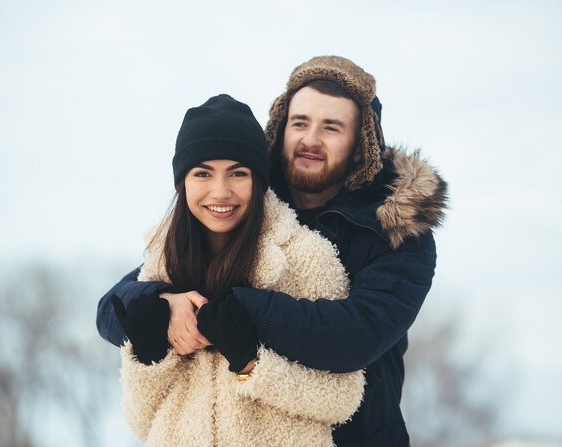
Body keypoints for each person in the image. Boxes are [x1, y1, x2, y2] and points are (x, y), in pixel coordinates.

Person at [97, 56, 449, 446]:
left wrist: (235, 308)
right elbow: (115, 306)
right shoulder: (242, 206)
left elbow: (357, 335)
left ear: (360, 146)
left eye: (331, 128)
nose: (310, 139)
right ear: (280, 129)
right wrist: (162, 303)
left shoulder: (397, 232)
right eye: (300, 123)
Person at [109, 94, 365, 447]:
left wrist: (251, 364)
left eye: (237, 173)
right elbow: (141, 421)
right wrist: (150, 357)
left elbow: (344, 397)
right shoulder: (162, 260)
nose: (220, 191)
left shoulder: (306, 258)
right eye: (202, 173)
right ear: (182, 182)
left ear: (258, 180)